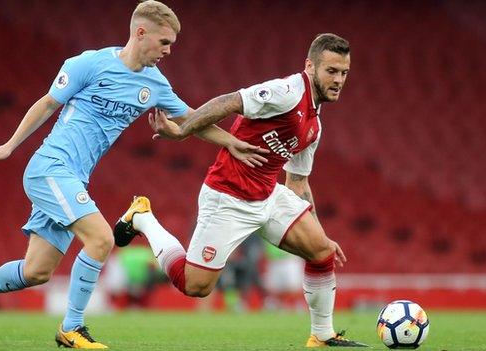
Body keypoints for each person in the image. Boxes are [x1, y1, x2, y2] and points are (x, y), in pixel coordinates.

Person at [0, 1, 267, 349]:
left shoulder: (155, 84)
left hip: (74, 179)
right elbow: (48, 103)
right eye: (164, 42)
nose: (169, 51)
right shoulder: (89, 64)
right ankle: (72, 328)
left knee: (37, 271)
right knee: (101, 239)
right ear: (140, 33)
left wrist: (232, 142)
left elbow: (191, 119)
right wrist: (10, 145)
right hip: (51, 167)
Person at [115, 33, 368, 347]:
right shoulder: (288, 91)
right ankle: (143, 220)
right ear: (310, 67)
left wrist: (319, 230)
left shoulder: (314, 125)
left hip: (268, 195)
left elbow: (298, 182)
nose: (339, 79)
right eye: (331, 71)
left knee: (322, 251)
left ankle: (322, 335)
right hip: (228, 196)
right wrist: (183, 130)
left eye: (344, 73)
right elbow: (230, 102)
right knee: (195, 286)